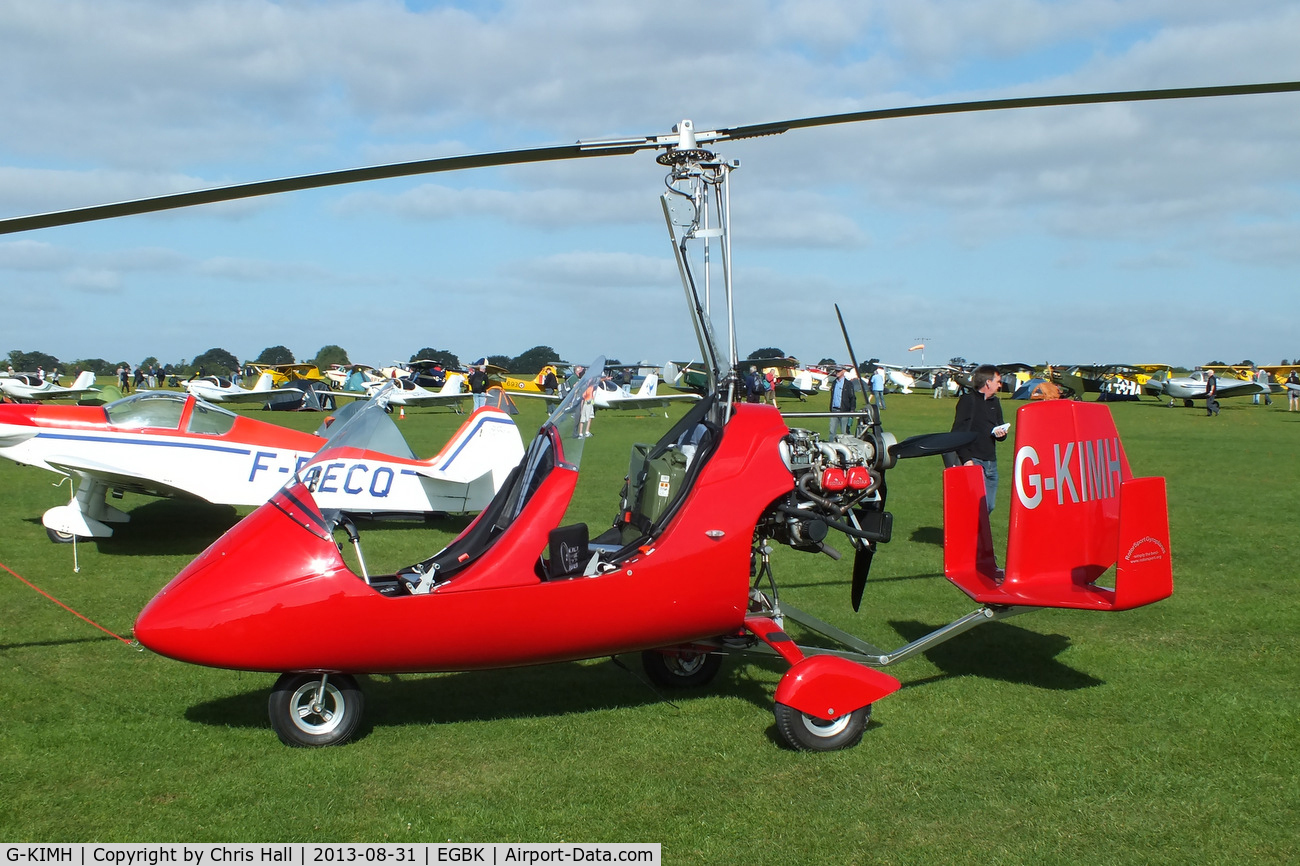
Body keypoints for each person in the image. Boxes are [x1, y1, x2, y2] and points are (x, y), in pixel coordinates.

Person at [951, 364, 1008, 514]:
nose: (999, 385)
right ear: (988, 382)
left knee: (989, 505)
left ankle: (976, 535)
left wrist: (1002, 433)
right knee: (974, 505)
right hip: (973, 460)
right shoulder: (968, 400)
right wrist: (967, 459)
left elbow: (999, 424)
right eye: (998, 381)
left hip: (991, 461)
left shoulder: (995, 402)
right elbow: (957, 432)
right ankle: (967, 535)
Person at [828, 366, 856, 436]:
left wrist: (852, 410)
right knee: (832, 431)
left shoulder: (848, 384)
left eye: (839, 371)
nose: (837, 373)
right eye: (836, 371)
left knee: (844, 432)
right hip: (834, 410)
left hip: (844, 410)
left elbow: (852, 397)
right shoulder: (834, 382)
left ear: (843, 371)